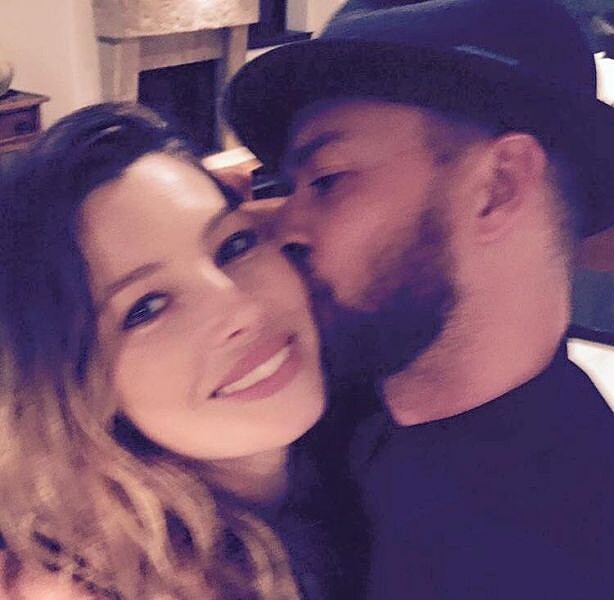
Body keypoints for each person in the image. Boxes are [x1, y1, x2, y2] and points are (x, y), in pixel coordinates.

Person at [224, 0, 614, 598]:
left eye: (326, 180)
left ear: (498, 188)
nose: (285, 228)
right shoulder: (314, 399)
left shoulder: (555, 557)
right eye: (286, 187)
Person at [0, 103, 328, 599]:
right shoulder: (84, 586)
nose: (242, 309)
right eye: (146, 308)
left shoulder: (381, 428)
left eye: (233, 246)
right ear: (76, 391)